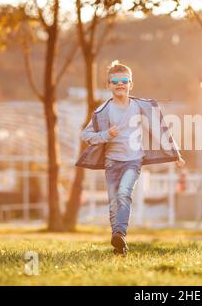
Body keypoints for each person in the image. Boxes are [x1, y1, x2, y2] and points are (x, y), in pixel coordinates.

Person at [76, 60, 185, 255]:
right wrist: (106, 135)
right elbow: (85, 136)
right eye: (115, 81)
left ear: (130, 84)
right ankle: (118, 243)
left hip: (133, 160)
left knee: (124, 194)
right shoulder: (103, 111)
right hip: (111, 162)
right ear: (108, 85)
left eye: (124, 80)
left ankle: (120, 233)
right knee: (113, 204)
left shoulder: (138, 106)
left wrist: (175, 153)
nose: (120, 84)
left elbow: (160, 129)